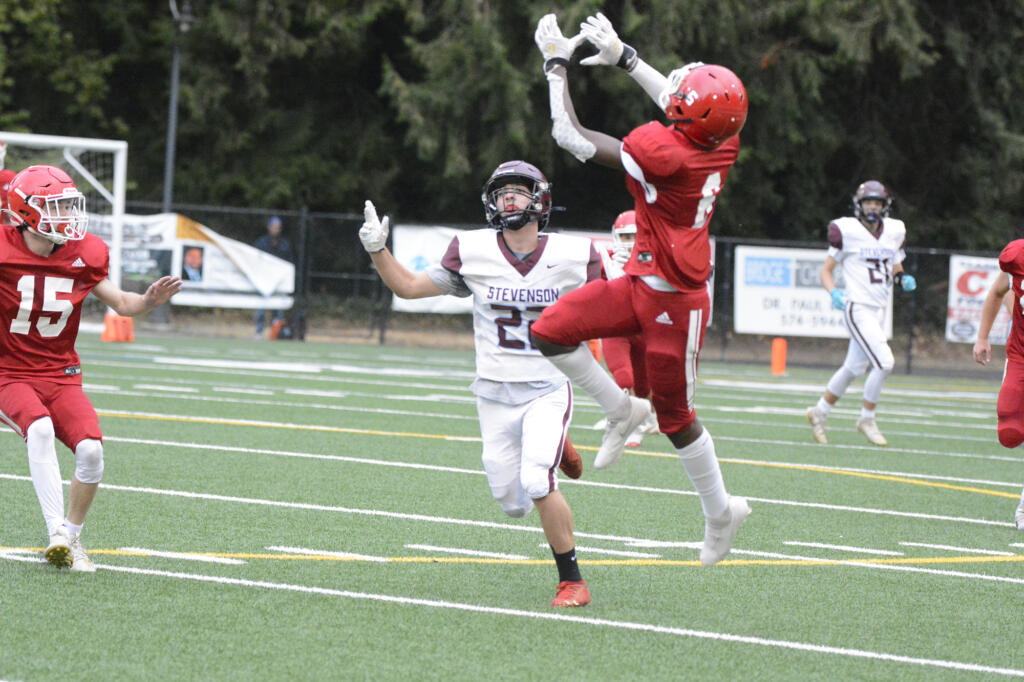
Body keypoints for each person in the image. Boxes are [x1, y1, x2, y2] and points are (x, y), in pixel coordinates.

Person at [530, 13, 750, 567]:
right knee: (550, 331)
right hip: (639, 282)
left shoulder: (666, 153)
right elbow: (685, 108)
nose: (672, 86)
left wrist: (556, 63)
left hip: (676, 301)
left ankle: (721, 511)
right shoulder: (722, 138)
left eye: (680, 88)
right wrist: (628, 60)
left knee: (676, 417)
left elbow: (569, 137)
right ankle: (620, 409)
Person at [359, 160, 596, 607]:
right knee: (512, 503)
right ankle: (554, 445)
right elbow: (408, 287)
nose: (510, 198)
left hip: (546, 387)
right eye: (502, 191)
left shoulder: (573, 254)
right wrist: (377, 250)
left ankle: (572, 581)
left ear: (540, 199)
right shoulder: (472, 250)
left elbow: (611, 306)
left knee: (537, 482)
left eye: (519, 191)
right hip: (493, 392)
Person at [0, 165, 182, 571]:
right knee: (41, 429)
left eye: (68, 205)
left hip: (61, 374)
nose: (67, 215)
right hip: (8, 372)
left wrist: (149, 300)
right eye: (56, 206)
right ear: (27, 213)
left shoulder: (84, 253)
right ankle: (56, 536)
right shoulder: (3, 248)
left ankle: (73, 534)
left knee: (92, 451)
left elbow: (123, 304)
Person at [805, 181, 916, 446]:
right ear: (859, 205)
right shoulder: (848, 231)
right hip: (857, 307)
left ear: (884, 205)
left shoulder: (894, 230)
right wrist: (834, 292)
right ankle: (867, 417)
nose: (872, 207)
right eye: (868, 202)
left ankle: (819, 412)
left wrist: (901, 278)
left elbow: (894, 262)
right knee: (885, 362)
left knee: (854, 367)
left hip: (878, 307)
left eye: (877, 203)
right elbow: (826, 270)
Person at [595, 210, 658, 447]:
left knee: (644, 382)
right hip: (615, 327)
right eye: (625, 236)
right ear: (615, 236)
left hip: (644, 328)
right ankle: (628, 421)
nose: (630, 242)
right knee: (622, 374)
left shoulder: (655, 259)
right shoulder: (605, 258)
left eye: (635, 236)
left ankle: (648, 415)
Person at [972, 241, 1024, 528]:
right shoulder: (1017, 258)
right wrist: (982, 337)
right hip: (1021, 354)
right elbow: (998, 291)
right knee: (1010, 432)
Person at [253, 216, 294, 338]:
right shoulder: (261, 243)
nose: (276, 230)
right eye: (274, 227)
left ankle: (276, 333)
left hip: (278, 283)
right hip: (263, 282)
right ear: (269, 228)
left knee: (278, 310)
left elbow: (289, 265)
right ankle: (259, 332)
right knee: (260, 308)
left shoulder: (285, 245)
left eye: (278, 228)